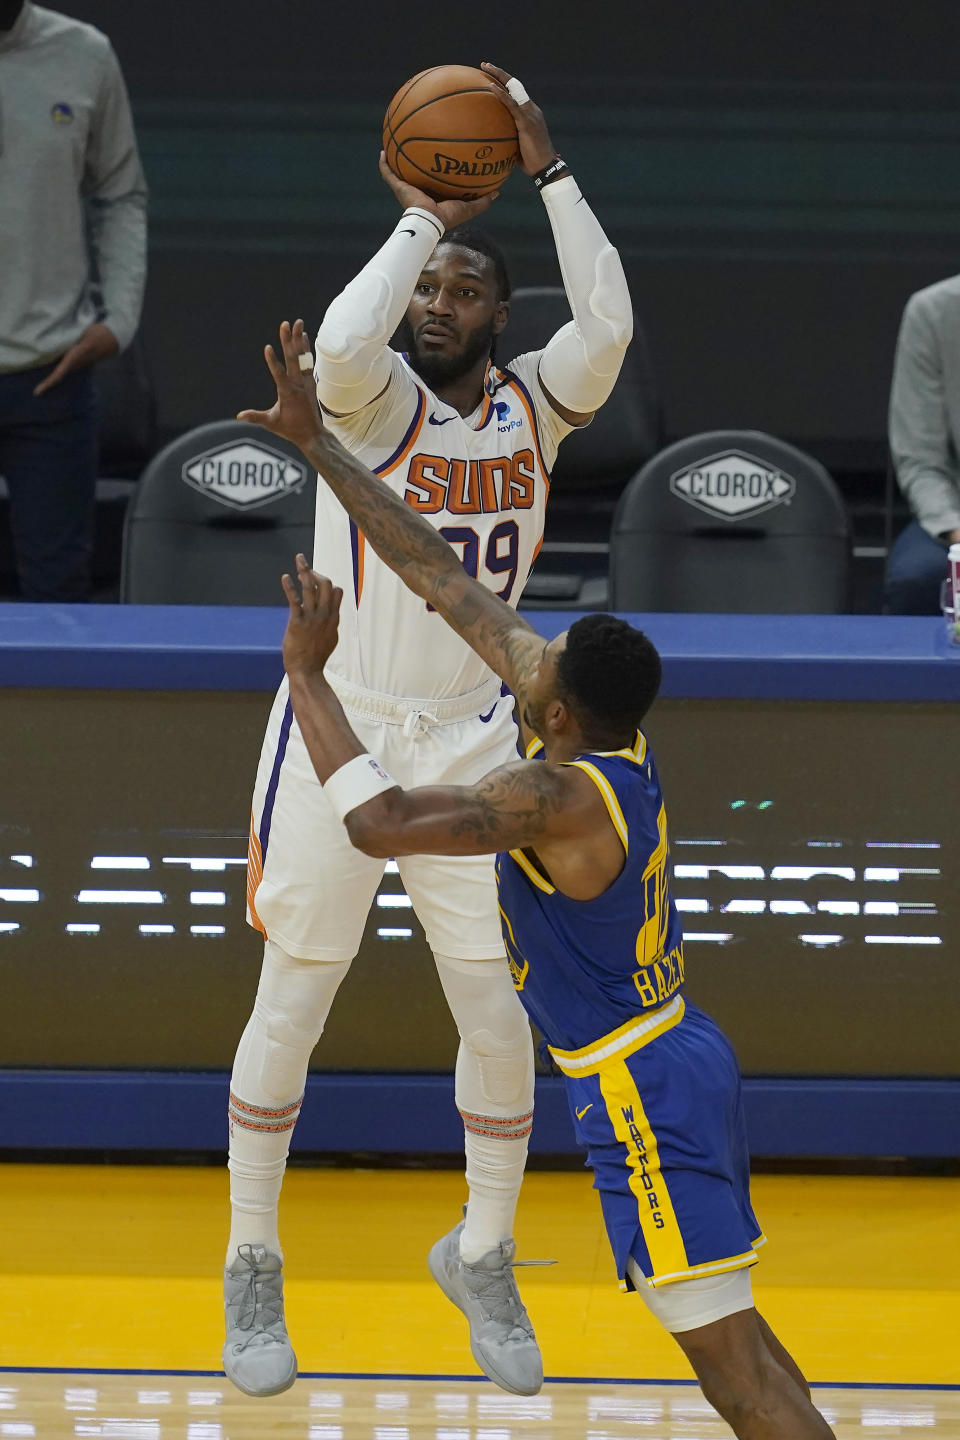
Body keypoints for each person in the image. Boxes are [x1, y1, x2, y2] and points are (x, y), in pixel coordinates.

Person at [236, 316, 839, 1440]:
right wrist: (320, 447)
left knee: (733, 1376)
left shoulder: (553, 799)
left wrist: (306, 679)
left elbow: (379, 823)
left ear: (556, 715)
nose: (522, 649)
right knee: (742, 1340)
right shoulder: (595, 739)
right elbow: (432, 566)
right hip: (679, 1052)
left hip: (641, 1090)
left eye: (538, 663)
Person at [224, 63, 633, 1399]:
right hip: (342, 719)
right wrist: (421, 215)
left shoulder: (537, 406)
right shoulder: (376, 396)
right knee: (299, 994)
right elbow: (340, 349)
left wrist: (548, 166)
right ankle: (250, 1264)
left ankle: (487, 1248)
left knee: (499, 1016)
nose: (442, 302)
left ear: (504, 319)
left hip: (476, 734)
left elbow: (612, 321)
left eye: (467, 289)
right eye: (430, 289)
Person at [0, 0, 147, 601]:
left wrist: (119, 320)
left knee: (58, 603)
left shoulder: (83, 54)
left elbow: (121, 193)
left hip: (49, 377)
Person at [884, 275, 960, 615]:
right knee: (918, 579)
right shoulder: (934, 311)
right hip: (956, 512)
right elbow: (922, 459)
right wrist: (955, 530)